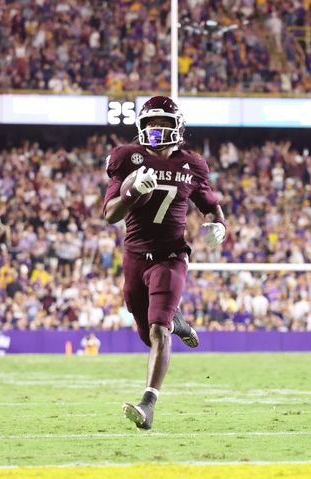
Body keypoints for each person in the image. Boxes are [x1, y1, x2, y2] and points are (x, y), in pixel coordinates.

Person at [102, 95, 227, 431]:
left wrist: (220, 225)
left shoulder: (192, 164)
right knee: (147, 331)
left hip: (172, 255)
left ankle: (148, 404)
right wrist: (130, 193)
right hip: (134, 255)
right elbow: (110, 214)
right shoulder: (127, 158)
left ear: (177, 128)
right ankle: (178, 322)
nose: (156, 131)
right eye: (150, 125)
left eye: (162, 124)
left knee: (158, 329)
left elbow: (211, 205)